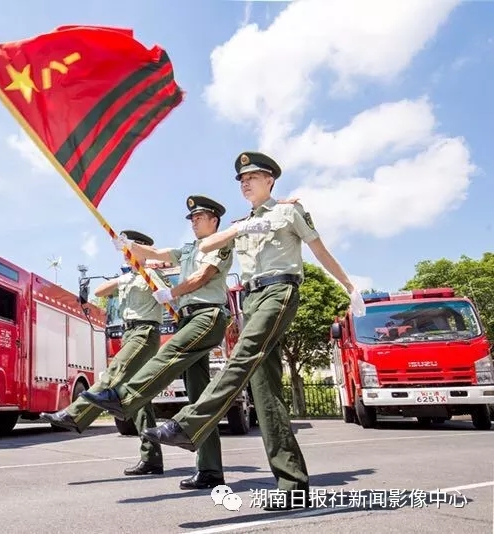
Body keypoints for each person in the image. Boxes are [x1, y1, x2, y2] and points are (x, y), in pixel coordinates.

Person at [138, 151, 366, 511]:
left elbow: (319, 249)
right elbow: (207, 244)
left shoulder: (289, 211)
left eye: (253, 177)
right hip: (251, 299)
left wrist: (348, 286)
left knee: (243, 354)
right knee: (265, 393)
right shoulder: (244, 221)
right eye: (242, 179)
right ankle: (293, 484)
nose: (245, 182)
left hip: (279, 290)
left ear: (270, 180)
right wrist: (241, 227)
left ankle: (188, 424)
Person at [82, 195, 268, 490]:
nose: (193, 222)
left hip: (206, 315)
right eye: (191, 219)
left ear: (214, 220)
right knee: (198, 397)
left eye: (199, 217)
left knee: (169, 353)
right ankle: (209, 470)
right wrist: (129, 246)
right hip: (189, 317)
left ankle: (124, 398)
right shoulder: (188, 249)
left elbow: (202, 277)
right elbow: (158, 252)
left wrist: (173, 293)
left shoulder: (219, 243)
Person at [40, 230, 167, 476]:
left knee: (114, 372)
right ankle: (151, 458)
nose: (127, 253)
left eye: (132, 248)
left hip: (145, 331)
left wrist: (149, 274)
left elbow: (169, 298)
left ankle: (75, 415)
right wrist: (126, 277)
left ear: (143, 250)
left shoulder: (152, 275)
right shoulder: (130, 278)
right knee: (139, 400)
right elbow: (99, 292)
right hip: (129, 332)